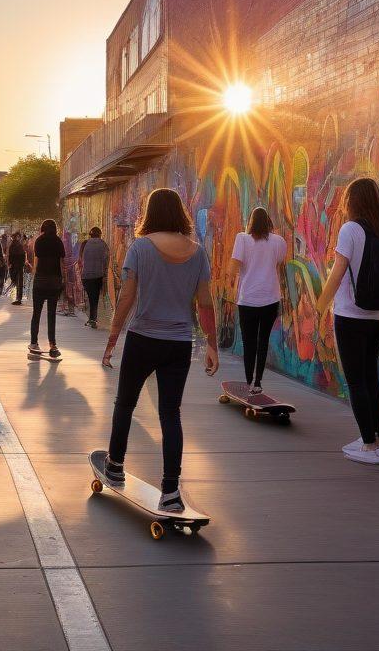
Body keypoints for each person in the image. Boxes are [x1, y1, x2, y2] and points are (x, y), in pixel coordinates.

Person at [101, 188, 219, 513]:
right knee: (170, 414)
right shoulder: (197, 252)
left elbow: (126, 297)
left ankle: (115, 464)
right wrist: (211, 343)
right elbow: (205, 302)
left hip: (143, 339)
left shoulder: (140, 248)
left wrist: (112, 338)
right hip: (179, 344)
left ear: (149, 213)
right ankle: (170, 491)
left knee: (125, 404)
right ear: (180, 213)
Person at [315, 177, 379, 466]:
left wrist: (319, 305)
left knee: (356, 380)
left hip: (352, 315)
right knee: (369, 378)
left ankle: (370, 447)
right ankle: (376, 438)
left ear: (352, 201)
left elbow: (338, 271)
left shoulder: (350, 229)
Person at [228, 207, 288, 395]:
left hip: (248, 300)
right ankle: (258, 382)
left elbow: (233, 268)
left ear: (251, 222)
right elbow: (278, 262)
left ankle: (247, 380)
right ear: (268, 222)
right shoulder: (279, 241)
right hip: (270, 298)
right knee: (263, 341)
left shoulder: (242, 239)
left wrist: (231, 278)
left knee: (249, 341)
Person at [28, 219, 66, 358]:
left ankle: (33, 342)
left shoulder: (39, 241)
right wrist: (63, 280)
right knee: (51, 314)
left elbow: (36, 261)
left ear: (43, 228)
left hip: (40, 281)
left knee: (36, 313)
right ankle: (53, 344)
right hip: (54, 282)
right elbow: (62, 263)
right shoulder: (58, 241)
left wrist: (34, 276)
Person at [77, 227, 109, 328]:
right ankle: (93, 318)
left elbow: (80, 261)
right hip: (98, 275)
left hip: (86, 276)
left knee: (91, 297)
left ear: (90, 235)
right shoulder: (103, 244)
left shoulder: (85, 244)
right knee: (94, 298)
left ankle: (92, 318)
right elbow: (106, 260)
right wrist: (105, 274)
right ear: (100, 234)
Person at [8, 231, 27, 305]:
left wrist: (11, 263)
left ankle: (18, 298)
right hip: (17, 266)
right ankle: (18, 298)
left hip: (16, 266)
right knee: (17, 282)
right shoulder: (16, 245)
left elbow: (12, 256)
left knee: (17, 282)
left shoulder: (16, 245)